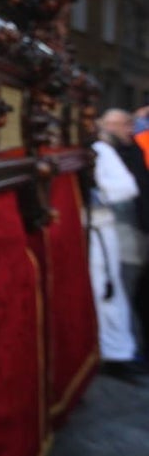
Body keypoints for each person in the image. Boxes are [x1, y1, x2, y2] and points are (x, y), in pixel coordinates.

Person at [89, 116, 145, 382]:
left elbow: (126, 187)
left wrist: (96, 194)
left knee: (107, 291)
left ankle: (116, 353)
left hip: (100, 228)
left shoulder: (100, 150)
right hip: (87, 230)